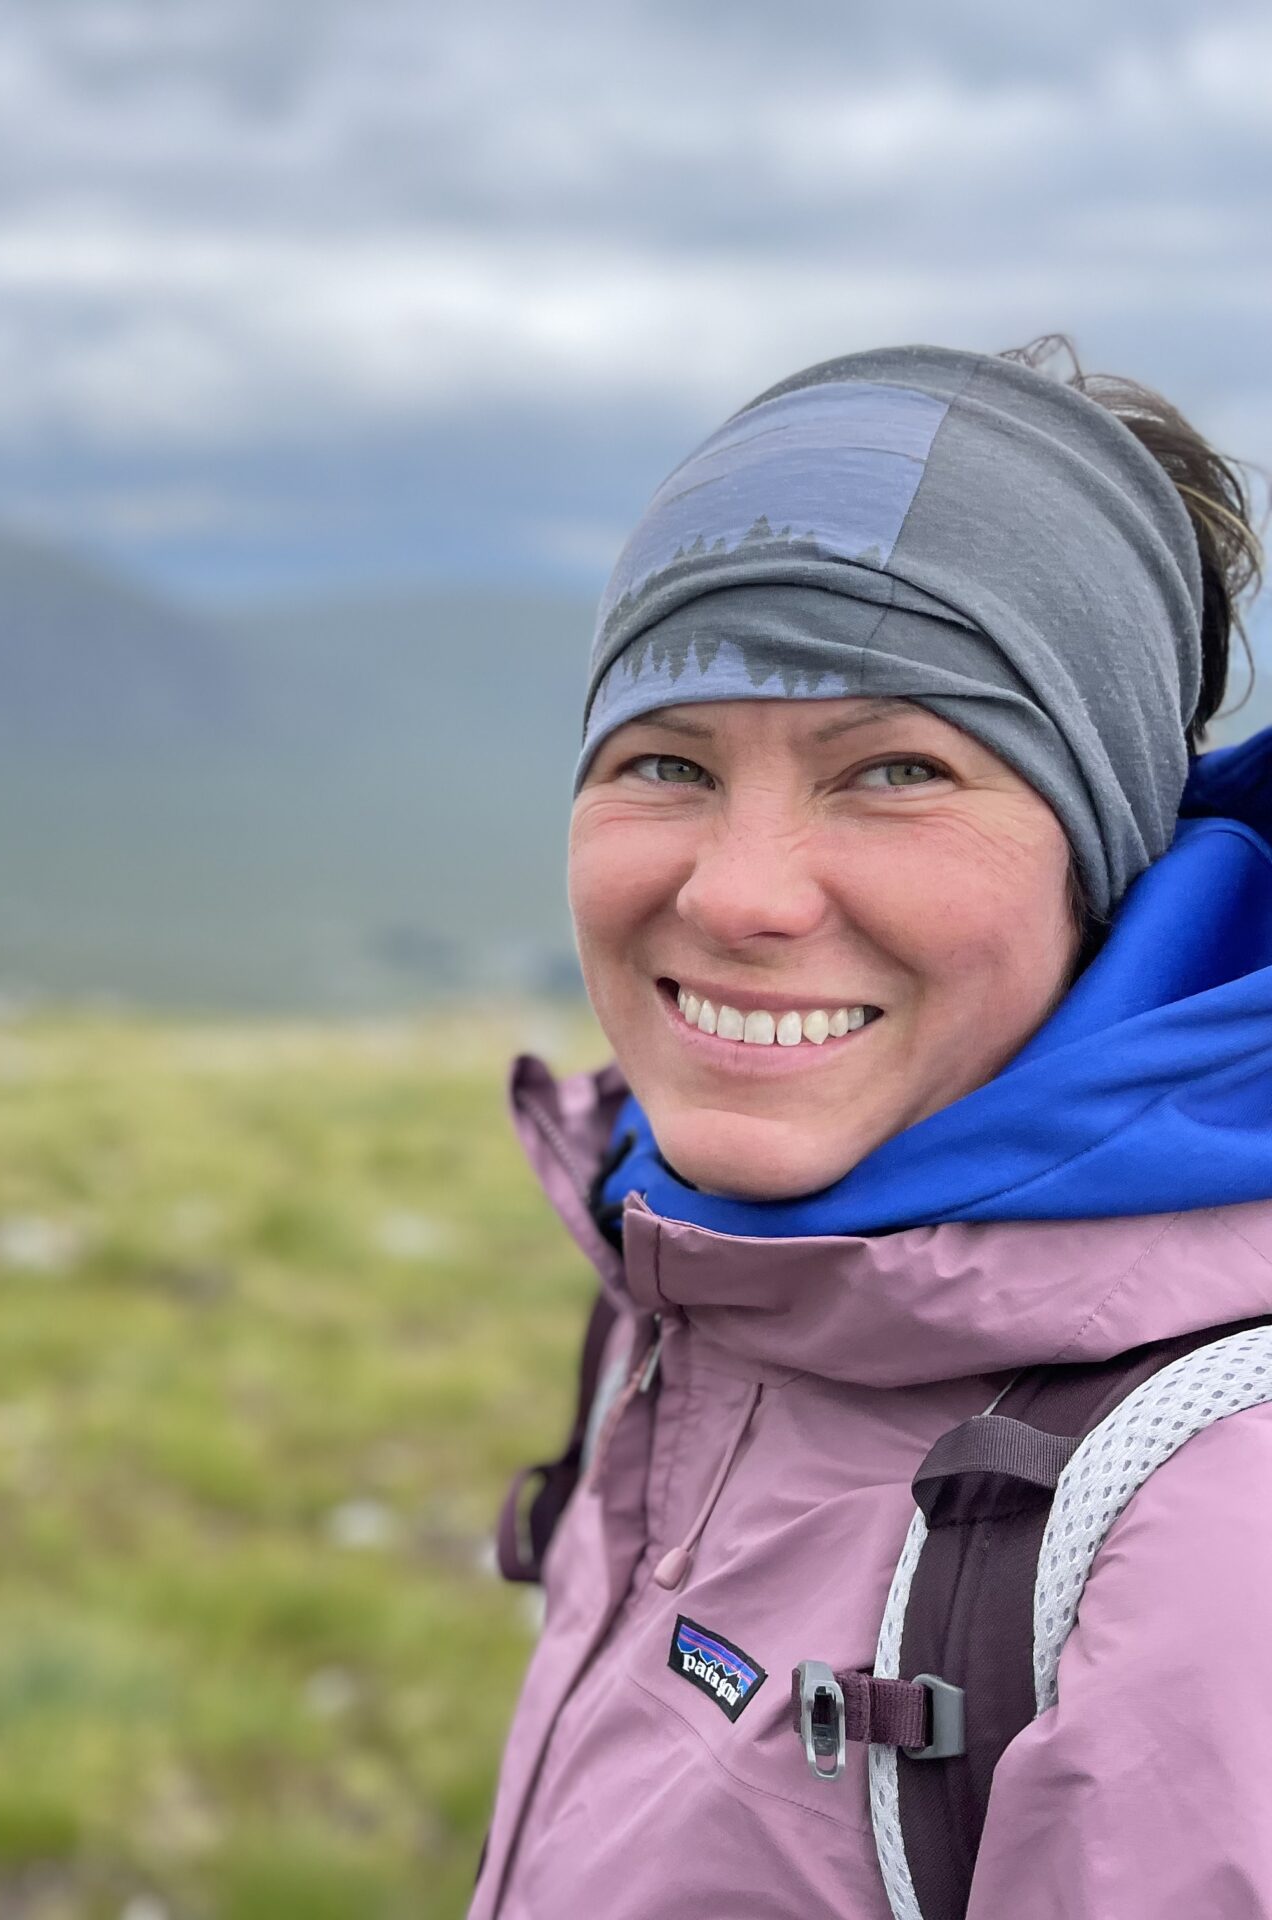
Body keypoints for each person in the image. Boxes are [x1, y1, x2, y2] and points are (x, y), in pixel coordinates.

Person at [469, 337, 1272, 1919]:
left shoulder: (1204, 1531)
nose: (741, 893)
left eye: (898, 769)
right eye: (666, 762)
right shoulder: (693, 1265)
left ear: (1101, 853)